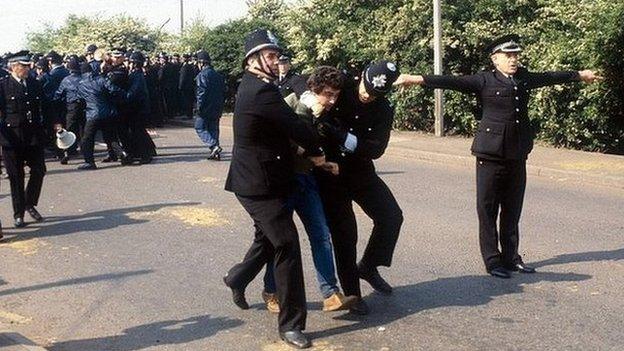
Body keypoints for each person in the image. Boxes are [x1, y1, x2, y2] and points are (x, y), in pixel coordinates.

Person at [394, 34, 602, 278]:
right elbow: (451, 81)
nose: (514, 60)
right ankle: (493, 260)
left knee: (512, 209)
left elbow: (549, 77)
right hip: (490, 154)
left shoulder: (523, 78)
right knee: (488, 208)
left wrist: (580, 75)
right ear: (495, 59)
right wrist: (415, 79)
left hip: (517, 153)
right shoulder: (484, 80)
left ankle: (511, 257)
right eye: (508, 55)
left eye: (516, 55)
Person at [222, 29, 326, 349]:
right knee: (287, 244)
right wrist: (317, 133)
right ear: (253, 61)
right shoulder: (260, 92)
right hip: (258, 184)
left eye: (276, 55)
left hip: (268, 177)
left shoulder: (261, 86)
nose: (275, 60)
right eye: (269, 55)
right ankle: (291, 324)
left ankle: (237, 278)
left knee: (266, 240)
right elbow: (295, 126)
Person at [261, 65, 358, 314]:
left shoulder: (321, 113)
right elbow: (281, 142)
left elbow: (313, 149)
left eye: (336, 95)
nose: (332, 100)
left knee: (321, 234)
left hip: (306, 180)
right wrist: (316, 156)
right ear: (314, 89)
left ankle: (330, 293)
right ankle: (271, 291)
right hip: (283, 182)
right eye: (328, 94)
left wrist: (323, 163)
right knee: (280, 242)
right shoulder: (291, 105)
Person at [314, 60, 404, 314]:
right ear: (361, 77)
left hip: (360, 171)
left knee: (391, 217)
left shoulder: (383, 109)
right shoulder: (341, 85)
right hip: (330, 175)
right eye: (366, 88)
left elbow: (376, 149)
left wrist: (343, 136)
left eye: (375, 94)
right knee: (345, 236)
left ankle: (369, 265)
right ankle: (353, 293)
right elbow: (307, 83)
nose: (367, 96)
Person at [0, 51, 48, 228]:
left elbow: (46, 106)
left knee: (39, 170)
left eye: (28, 66)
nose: (27, 69)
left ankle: (29, 202)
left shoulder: (34, 84)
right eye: (23, 66)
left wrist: (56, 123)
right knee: (16, 176)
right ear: (13, 67)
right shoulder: (3, 86)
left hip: (33, 136)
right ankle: (18, 213)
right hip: (11, 139)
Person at [77, 61, 128, 170]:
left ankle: (89, 162)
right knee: (110, 137)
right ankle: (122, 154)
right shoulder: (101, 80)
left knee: (87, 139)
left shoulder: (81, 84)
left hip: (92, 114)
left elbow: (79, 99)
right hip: (108, 112)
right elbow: (114, 90)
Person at [125, 51, 156, 163]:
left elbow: (133, 93)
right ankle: (148, 150)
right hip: (140, 107)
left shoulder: (136, 75)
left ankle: (146, 155)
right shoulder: (137, 74)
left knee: (138, 131)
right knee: (139, 130)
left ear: (134, 63)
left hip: (138, 108)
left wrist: (124, 96)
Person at [194, 50, 225, 160]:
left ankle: (213, 145)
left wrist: (198, 107)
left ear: (201, 63)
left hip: (205, 107)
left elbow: (201, 93)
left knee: (199, 127)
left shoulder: (202, 75)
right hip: (217, 107)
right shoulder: (218, 75)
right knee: (213, 129)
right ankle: (215, 153)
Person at [53, 58, 85, 164]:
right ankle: (86, 150)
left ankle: (68, 152)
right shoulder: (84, 78)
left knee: (70, 129)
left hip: (71, 106)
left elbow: (59, 94)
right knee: (84, 130)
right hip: (85, 106)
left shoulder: (66, 80)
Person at [178, 53, 197, 120]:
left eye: (182, 58)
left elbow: (183, 78)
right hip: (190, 86)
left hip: (186, 87)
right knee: (189, 101)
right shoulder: (190, 66)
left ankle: (188, 114)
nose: (181, 59)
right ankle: (189, 114)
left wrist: (180, 86)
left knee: (187, 101)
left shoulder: (185, 67)